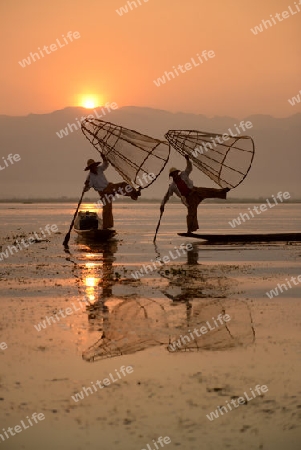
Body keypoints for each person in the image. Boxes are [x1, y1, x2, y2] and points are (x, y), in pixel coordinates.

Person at [160, 155, 230, 233]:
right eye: (173, 174)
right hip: (189, 198)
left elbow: (189, 168)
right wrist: (162, 205)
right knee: (191, 213)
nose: (175, 175)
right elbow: (166, 196)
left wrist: (187, 160)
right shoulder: (172, 186)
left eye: (176, 173)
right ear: (172, 176)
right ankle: (190, 229)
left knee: (209, 191)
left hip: (195, 191)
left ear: (177, 173)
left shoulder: (183, 174)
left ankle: (223, 191)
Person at [84, 157, 140, 229]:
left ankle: (135, 193)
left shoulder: (99, 169)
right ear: (90, 168)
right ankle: (107, 227)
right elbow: (88, 187)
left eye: (94, 166)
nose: (94, 168)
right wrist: (86, 187)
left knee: (122, 186)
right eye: (92, 167)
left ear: (95, 165)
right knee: (107, 209)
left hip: (109, 187)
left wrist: (104, 159)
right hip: (103, 192)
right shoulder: (90, 177)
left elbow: (105, 164)